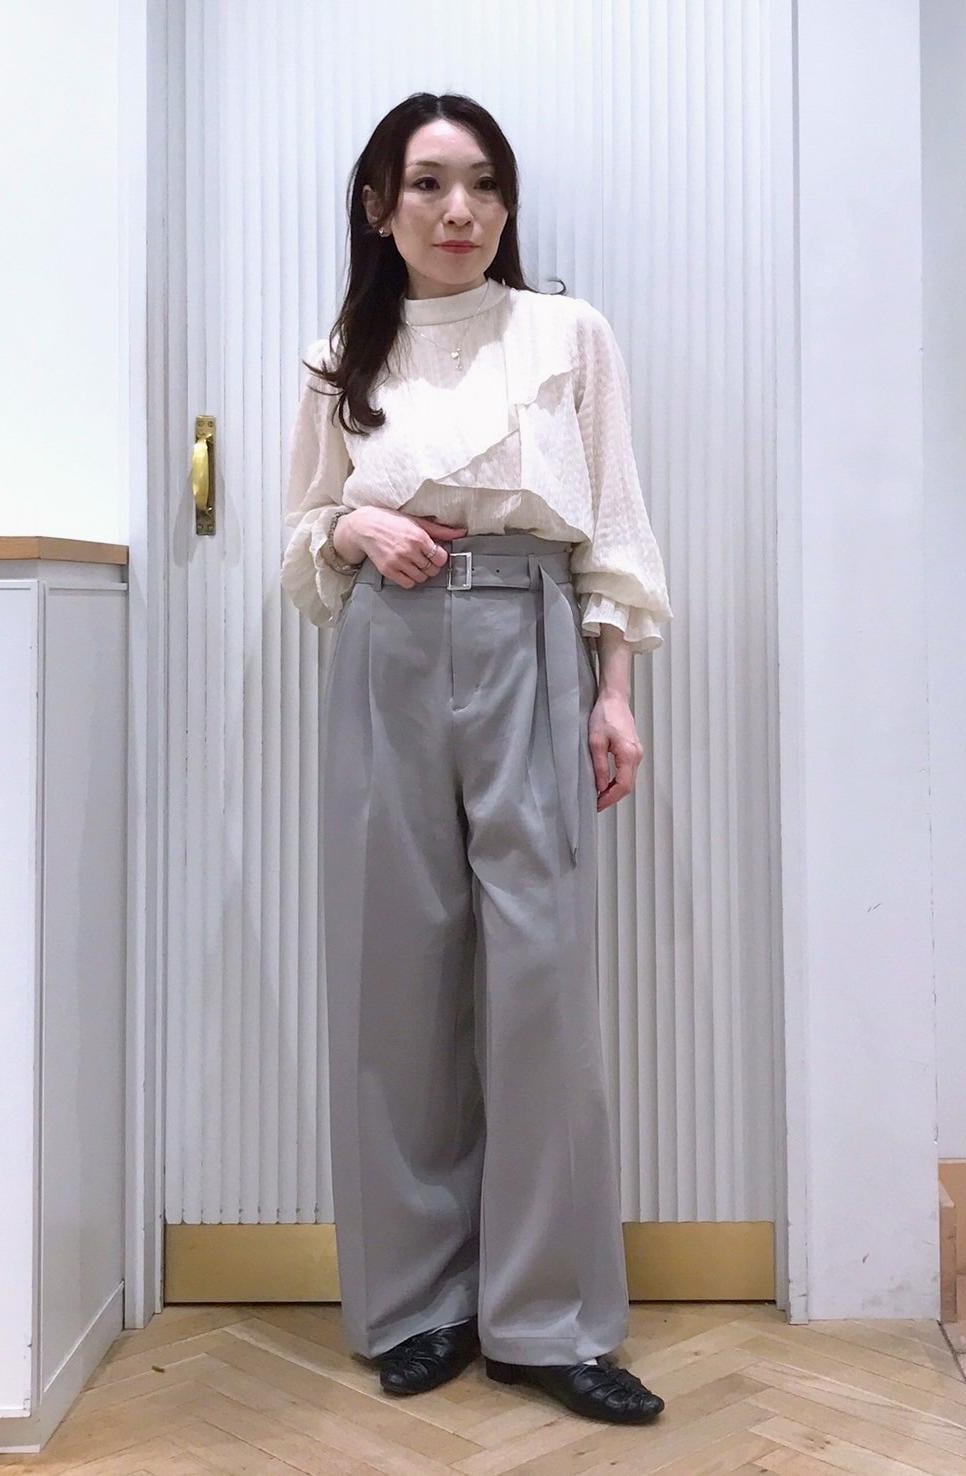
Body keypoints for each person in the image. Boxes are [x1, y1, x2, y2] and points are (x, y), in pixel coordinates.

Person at [280, 93, 672, 1427]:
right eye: (430, 184)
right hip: (387, 654)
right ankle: (416, 1305)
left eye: (485, 184)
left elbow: (614, 519)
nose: (461, 211)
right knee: (394, 979)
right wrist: (351, 529)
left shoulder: (567, 333)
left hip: (530, 635)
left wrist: (614, 689)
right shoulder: (340, 356)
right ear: (378, 205)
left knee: (541, 981)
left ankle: (546, 1319)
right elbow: (302, 530)